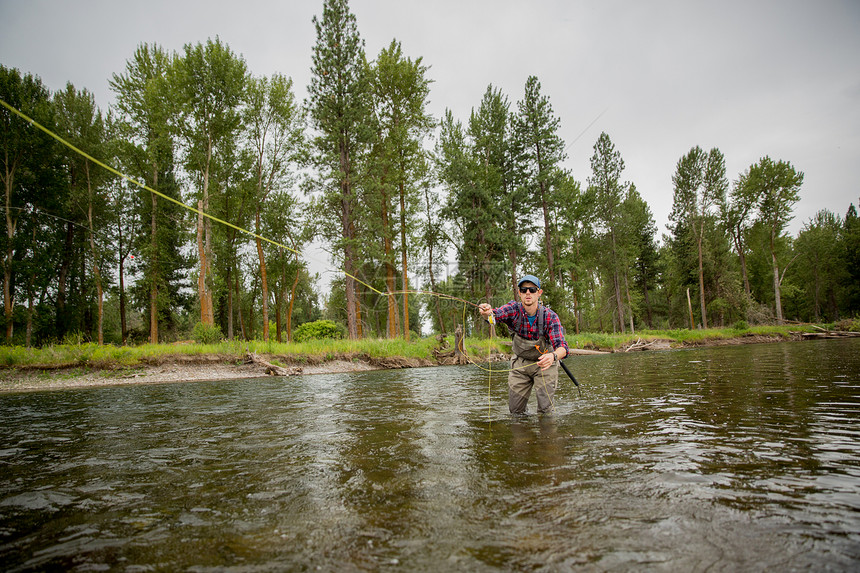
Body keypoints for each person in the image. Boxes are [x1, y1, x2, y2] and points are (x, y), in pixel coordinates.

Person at [478, 275, 569, 415]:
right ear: (519, 293)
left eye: (532, 290)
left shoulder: (550, 316)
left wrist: (553, 356)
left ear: (539, 293)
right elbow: (494, 316)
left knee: (545, 411)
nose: (528, 293)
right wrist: (487, 313)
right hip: (520, 364)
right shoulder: (513, 309)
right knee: (515, 412)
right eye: (524, 289)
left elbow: (563, 348)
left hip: (546, 364)